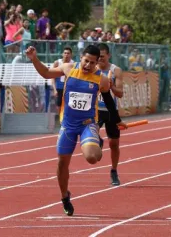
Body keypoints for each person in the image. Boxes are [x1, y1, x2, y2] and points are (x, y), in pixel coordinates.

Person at [26, 44, 126, 216]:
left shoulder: (101, 79)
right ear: (81, 58)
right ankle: (65, 197)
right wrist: (34, 59)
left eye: (92, 63)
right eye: (86, 61)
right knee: (62, 163)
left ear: (97, 63)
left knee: (92, 157)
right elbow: (46, 73)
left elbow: (109, 100)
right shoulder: (68, 68)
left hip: (87, 123)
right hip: (67, 126)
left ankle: (96, 142)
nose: (88, 66)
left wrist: (117, 121)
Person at [97, 43, 124, 186]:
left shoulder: (116, 71)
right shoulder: (91, 69)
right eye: (98, 56)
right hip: (96, 110)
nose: (100, 59)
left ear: (108, 55)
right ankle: (98, 141)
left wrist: (110, 85)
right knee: (92, 134)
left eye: (102, 56)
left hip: (111, 111)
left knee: (114, 144)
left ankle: (114, 170)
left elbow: (120, 94)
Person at [52, 47, 74, 114]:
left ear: (71, 55)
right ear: (62, 54)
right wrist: (54, 89)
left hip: (69, 88)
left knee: (69, 105)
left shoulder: (73, 64)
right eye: (65, 53)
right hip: (59, 87)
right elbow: (52, 77)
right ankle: (60, 120)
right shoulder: (57, 63)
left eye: (68, 53)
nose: (66, 55)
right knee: (59, 105)